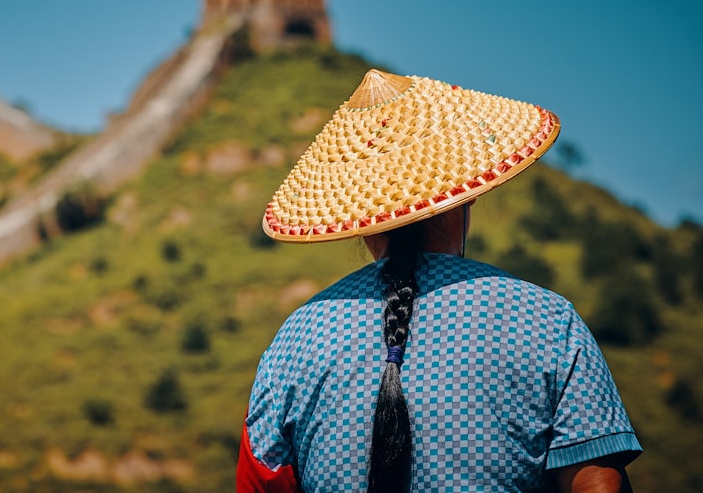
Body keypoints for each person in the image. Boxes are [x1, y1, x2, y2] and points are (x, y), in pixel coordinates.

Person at [237, 69, 641, 492]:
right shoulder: (547, 320)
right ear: (462, 198)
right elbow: (598, 483)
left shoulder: (296, 340)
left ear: (361, 222)